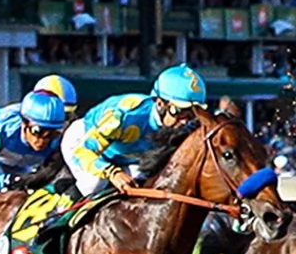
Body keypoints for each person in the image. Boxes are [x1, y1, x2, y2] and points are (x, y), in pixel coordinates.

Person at [58, 65, 210, 205]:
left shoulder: (188, 126)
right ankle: (56, 219)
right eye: (178, 111)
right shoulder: (126, 115)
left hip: (124, 158)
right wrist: (113, 173)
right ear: (160, 103)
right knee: (95, 182)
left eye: (191, 114)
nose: (184, 121)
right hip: (83, 143)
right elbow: (85, 152)